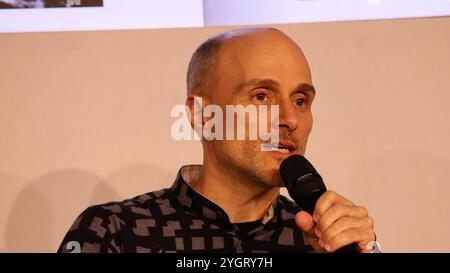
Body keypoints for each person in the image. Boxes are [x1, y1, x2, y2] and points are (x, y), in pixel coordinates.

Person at [58, 27, 376, 253]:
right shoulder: (115, 231)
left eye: (301, 100)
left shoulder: (325, 240)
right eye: (262, 96)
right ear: (203, 116)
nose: (290, 119)